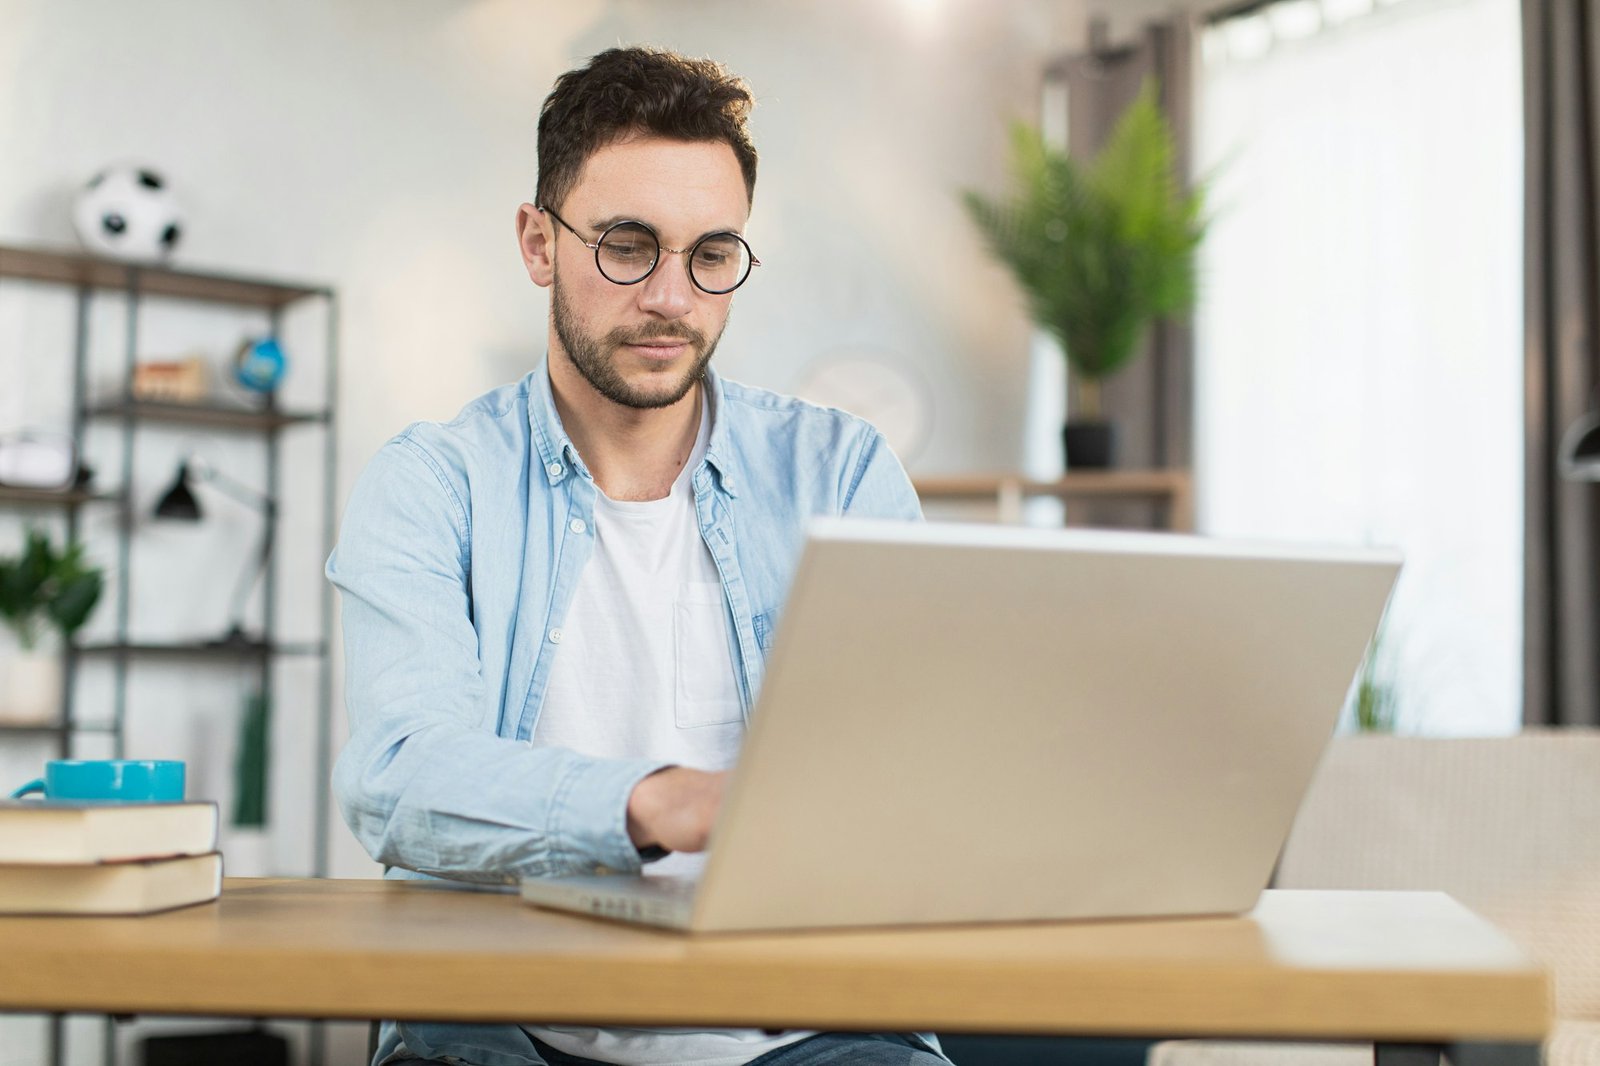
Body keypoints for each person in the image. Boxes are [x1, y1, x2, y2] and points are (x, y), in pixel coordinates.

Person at [327, 46, 942, 1066]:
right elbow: (397, 775)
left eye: (712, 253)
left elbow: (916, 757)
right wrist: (654, 800)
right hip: (503, 1024)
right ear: (537, 242)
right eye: (626, 244)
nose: (671, 296)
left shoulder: (840, 472)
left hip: (803, 1027)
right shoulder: (434, 483)